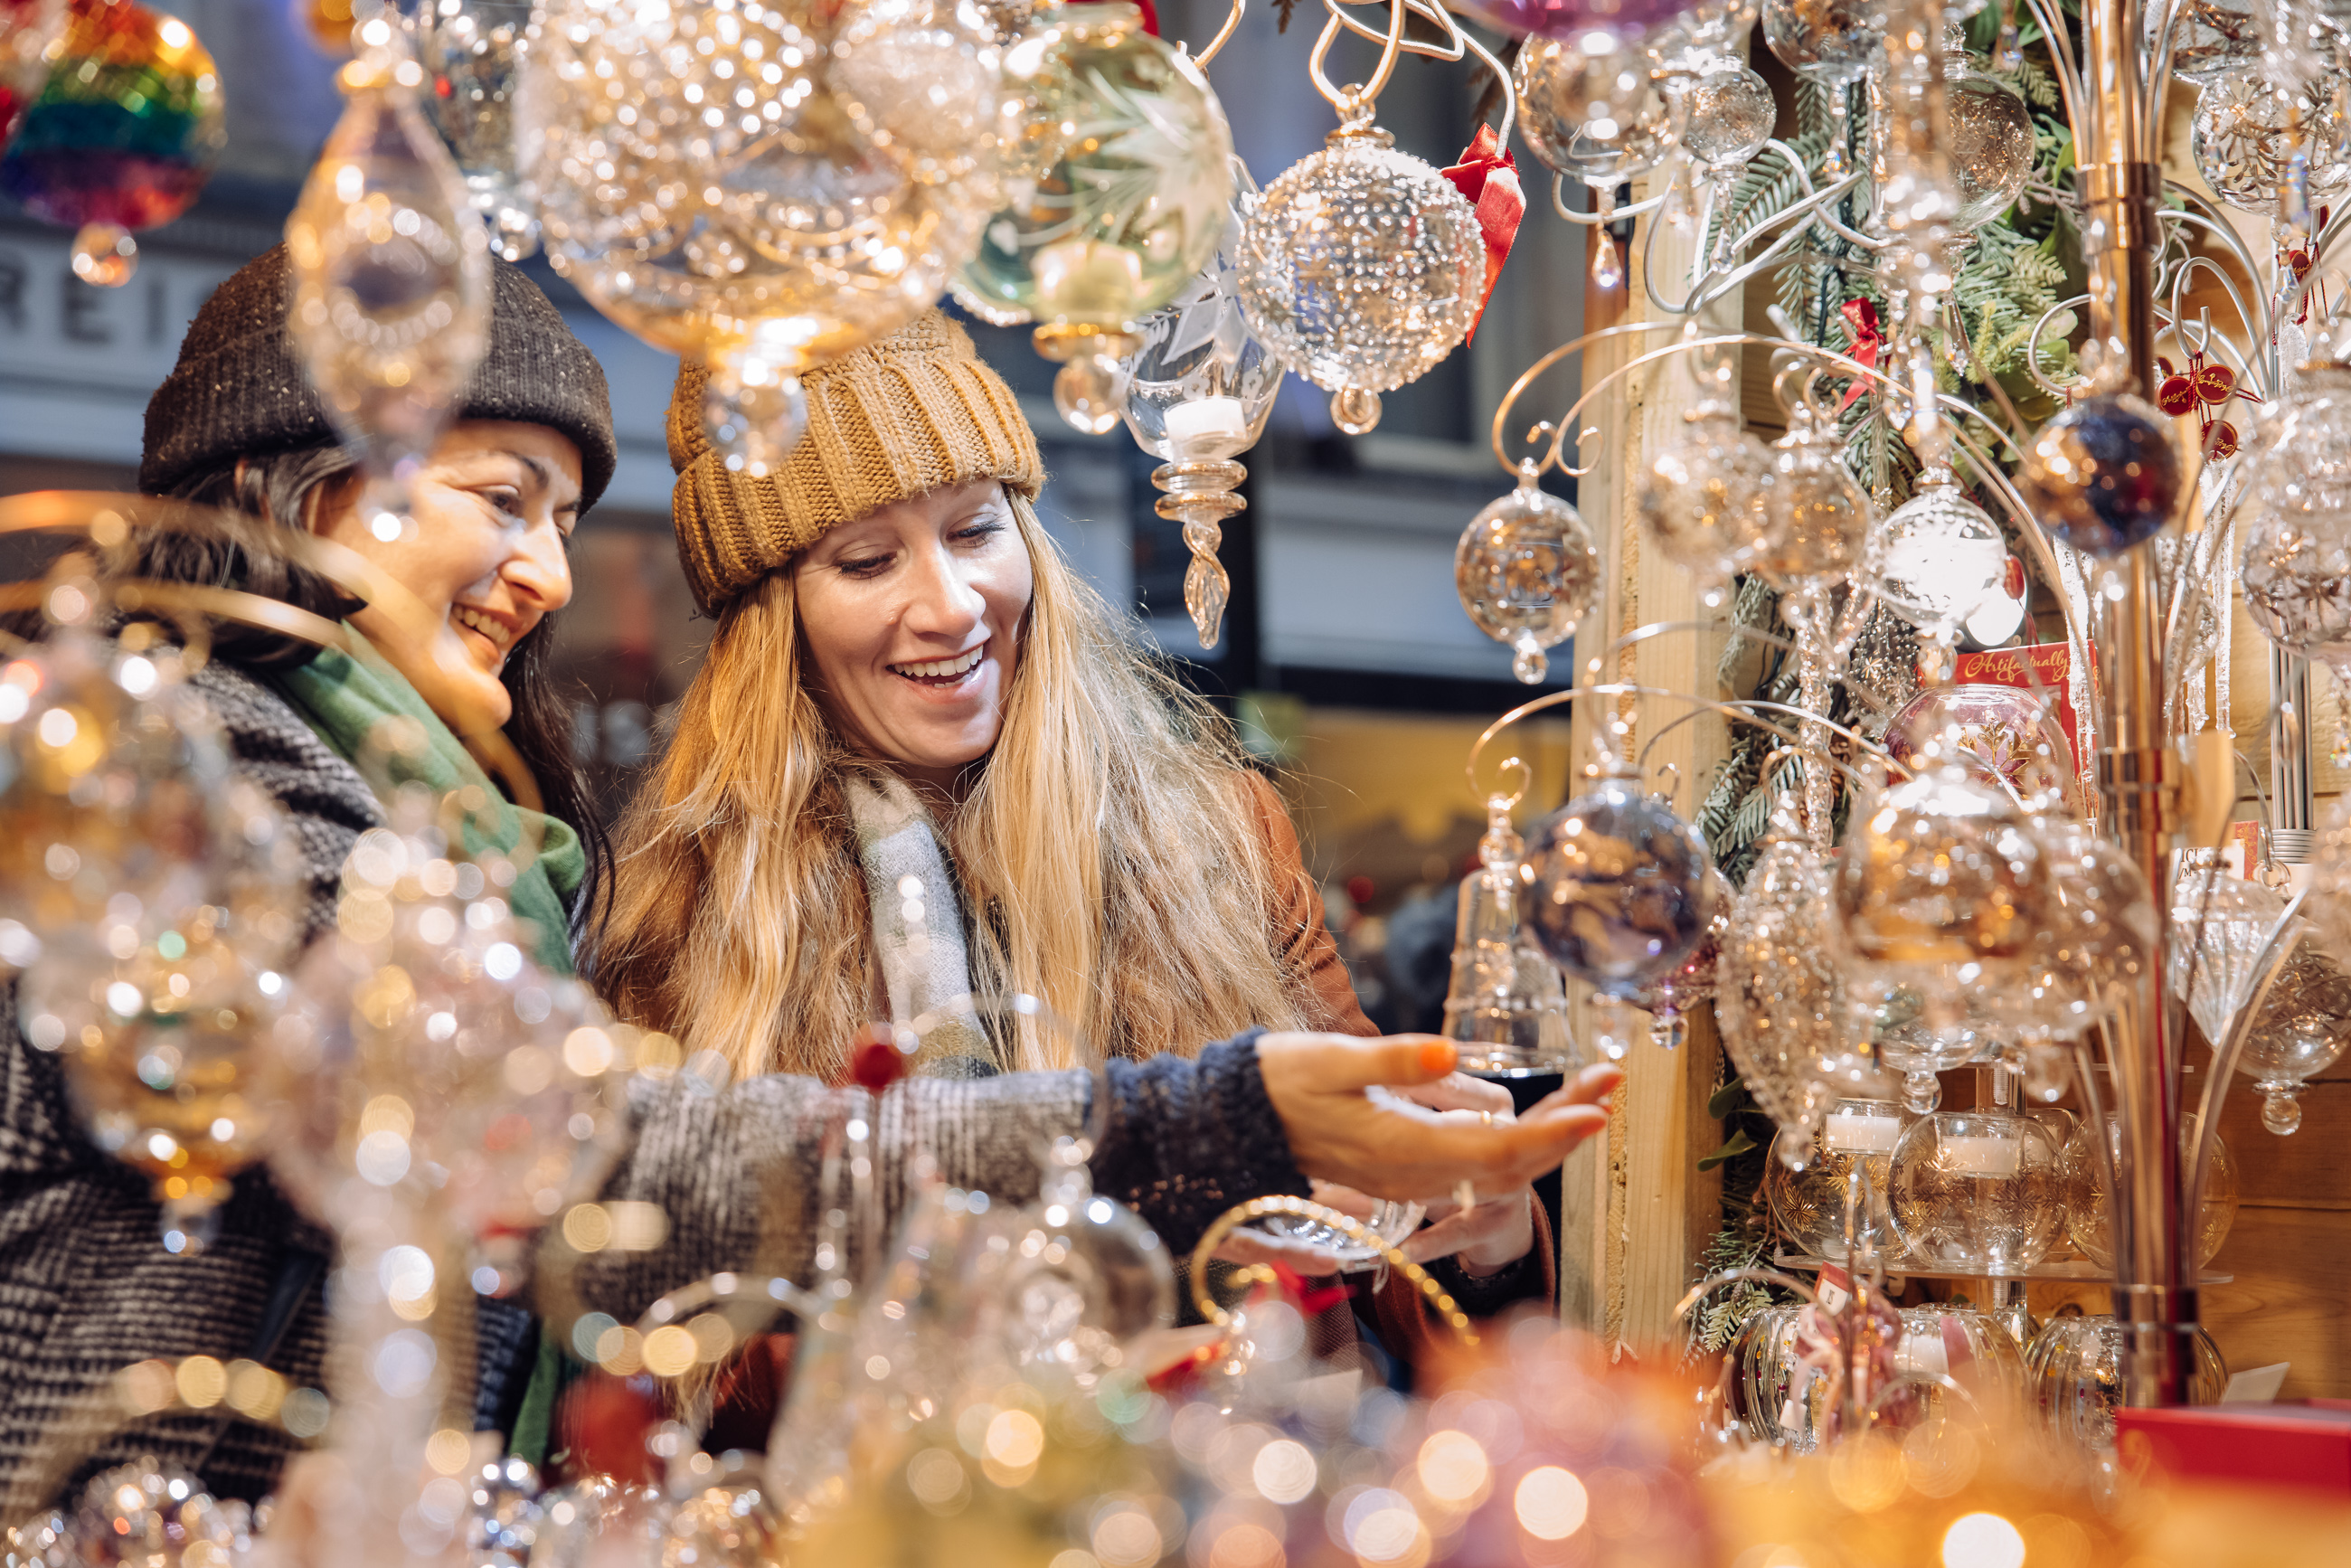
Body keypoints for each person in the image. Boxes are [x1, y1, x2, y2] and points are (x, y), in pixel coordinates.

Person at [0, 250, 1618, 1515]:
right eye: (505, 501)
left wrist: (1449, 1221)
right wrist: (1194, 1130)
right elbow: (598, 1200)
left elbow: (1395, 1235)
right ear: (304, 476)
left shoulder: (1210, 829)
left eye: (977, 528)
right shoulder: (205, 787)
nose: (552, 571)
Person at [590, 311, 1572, 1370]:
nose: (951, 604)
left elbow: (1405, 1292)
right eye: (868, 560)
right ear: (772, 623)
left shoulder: (1218, 835)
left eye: (973, 532)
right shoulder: (689, 916)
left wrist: (1482, 1239)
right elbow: (676, 1354)